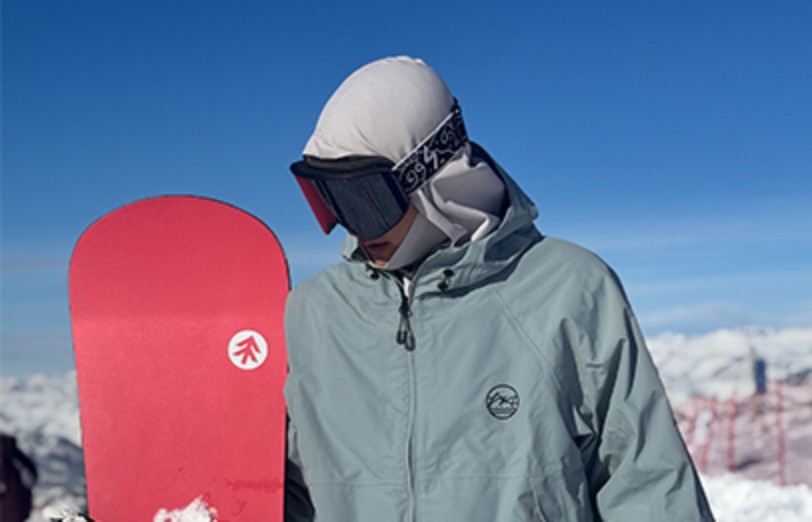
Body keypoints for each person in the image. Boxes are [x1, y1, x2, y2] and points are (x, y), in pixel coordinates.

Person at [284, 56, 714, 521]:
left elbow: (647, 484)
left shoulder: (569, 289)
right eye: (328, 199)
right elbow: (275, 489)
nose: (350, 225)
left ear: (432, 176)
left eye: (363, 199)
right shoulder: (313, 312)